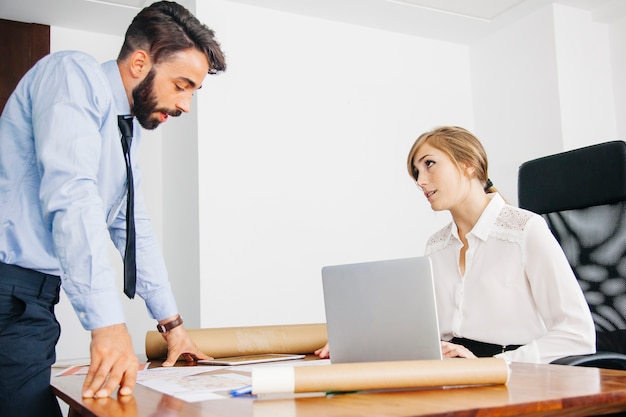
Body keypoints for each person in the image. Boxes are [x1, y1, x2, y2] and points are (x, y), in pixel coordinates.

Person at [0, 2, 226, 417]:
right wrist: (107, 324)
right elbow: (72, 196)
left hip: (33, 299)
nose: (185, 105)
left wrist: (172, 326)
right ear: (141, 62)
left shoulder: (125, 129)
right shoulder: (72, 74)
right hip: (8, 292)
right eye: (181, 85)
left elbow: (129, 222)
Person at [316, 126, 595, 363]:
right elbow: (429, 332)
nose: (420, 181)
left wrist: (492, 365)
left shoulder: (525, 231)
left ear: (467, 164)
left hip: (515, 377)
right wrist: (361, 344)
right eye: (416, 173)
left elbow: (577, 336)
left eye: (429, 164)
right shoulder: (437, 246)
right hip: (454, 373)